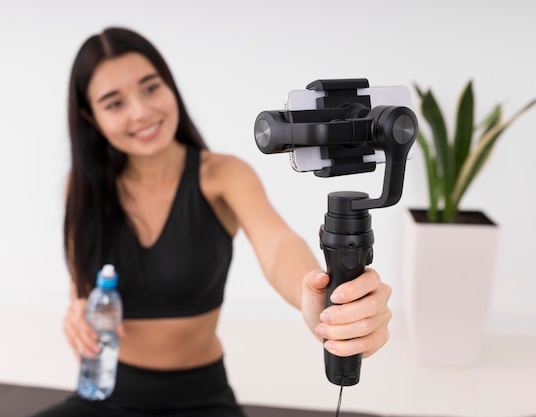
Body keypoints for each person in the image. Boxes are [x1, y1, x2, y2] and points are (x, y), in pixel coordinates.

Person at [32, 27, 392, 417]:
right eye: (114, 103)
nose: (140, 111)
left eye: (151, 88)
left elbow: (278, 247)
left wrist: (318, 299)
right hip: (104, 392)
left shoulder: (223, 176)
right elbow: (82, 286)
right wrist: (78, 308)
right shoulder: (81, 188)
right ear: (91, 116)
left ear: (170, 86)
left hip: (199, 398)